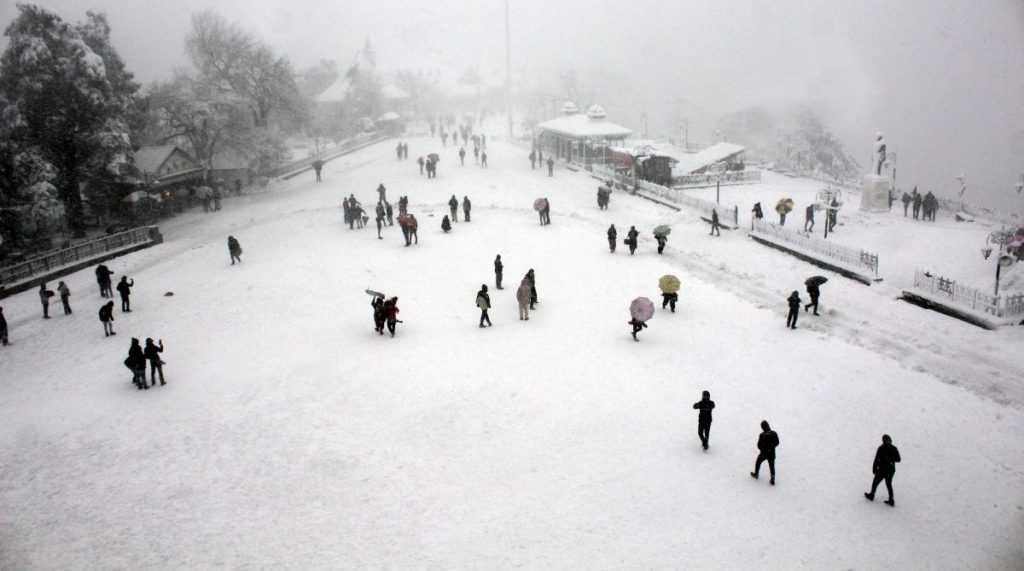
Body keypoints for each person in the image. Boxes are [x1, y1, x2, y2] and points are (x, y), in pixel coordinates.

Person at [865, 434, 901, 506]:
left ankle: (872, 495)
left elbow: (898, 459)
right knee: (887, 484)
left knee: (877, 482)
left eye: (887, 440)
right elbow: (877, 459)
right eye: (886, 440)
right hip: (889, 470)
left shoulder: (886, 448)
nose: (887, 442)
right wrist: (874, 468)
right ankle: (891, 500)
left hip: (885, 470)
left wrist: (875, 468)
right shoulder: (887, 448)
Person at [750, 420, 780, 485]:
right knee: (771, 465)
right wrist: (771, 447)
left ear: (762, 428)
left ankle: (756, 474)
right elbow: (777, 442)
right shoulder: (774, 433)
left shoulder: (762, 435)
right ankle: (772, 478)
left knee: (758, 462)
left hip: (764, 453)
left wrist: (764, 447)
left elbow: (759, 446)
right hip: (772, 453)